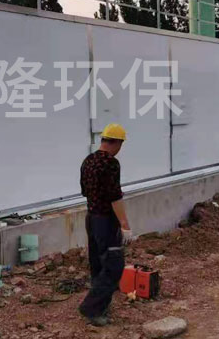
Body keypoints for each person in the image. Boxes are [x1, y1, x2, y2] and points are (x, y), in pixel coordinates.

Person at [78, 123, 133, 327]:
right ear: (117, 143)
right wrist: (125, 225)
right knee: (113, 266)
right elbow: (114, 197)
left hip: (91, 218)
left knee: (98, 264)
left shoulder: (88, 160)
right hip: (106, 221)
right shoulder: (111, 163)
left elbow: (84, 191)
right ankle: (92, 308)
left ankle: (100, 306)